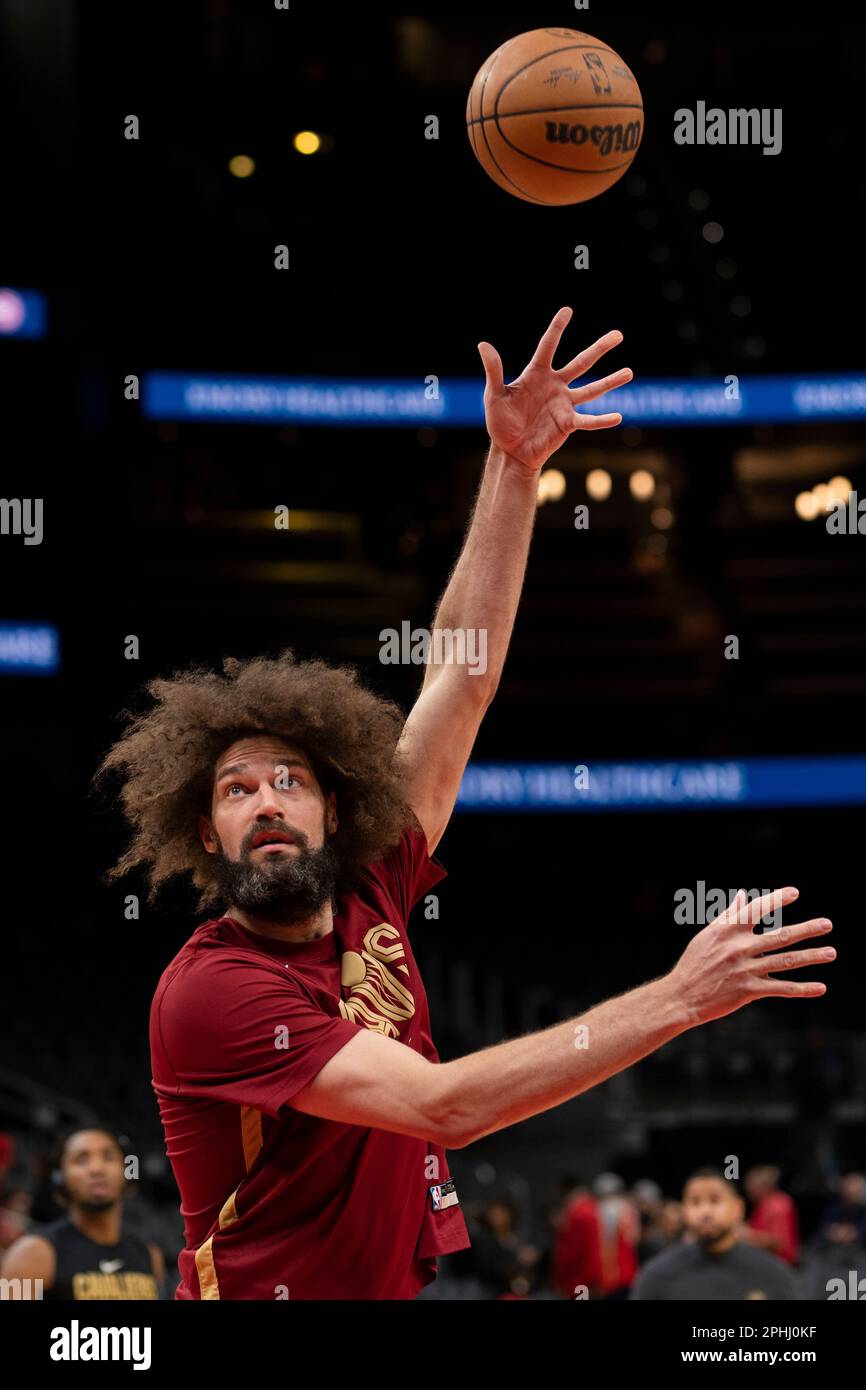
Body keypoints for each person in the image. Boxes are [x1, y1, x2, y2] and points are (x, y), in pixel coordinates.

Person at [97, 309, 836, 1300]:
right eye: (236, 790)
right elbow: (441, 1107)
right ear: (204, 832)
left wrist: (515, 467)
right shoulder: (211, 992)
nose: (266, 802)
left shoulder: (371, 884)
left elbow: (459, 672)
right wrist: (678, 999)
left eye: (288, 781)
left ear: (336, 809)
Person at [0, 1127, 163, 1300]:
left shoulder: (151, 1256)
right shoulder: (30, 1254)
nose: (97, 1169)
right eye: (81, 1160)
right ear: (59, 1177)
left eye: (108, 1157)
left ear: (128, 1171)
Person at [631, 1168, 802, 1300]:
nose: (705, 1211)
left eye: (715, 1200)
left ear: (738, 1208)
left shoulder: (773, 1275)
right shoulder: (656, 1277)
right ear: (684, 1210)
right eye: (695, 1202)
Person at [741, 1164, 800, 1265]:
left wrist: (746, 1234)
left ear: (763, 1185)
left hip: (780, 1265)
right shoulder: (766, 1203)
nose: (747, 1190)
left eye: (750, 1185)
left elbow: (777, 1241)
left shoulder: (776, 1204)